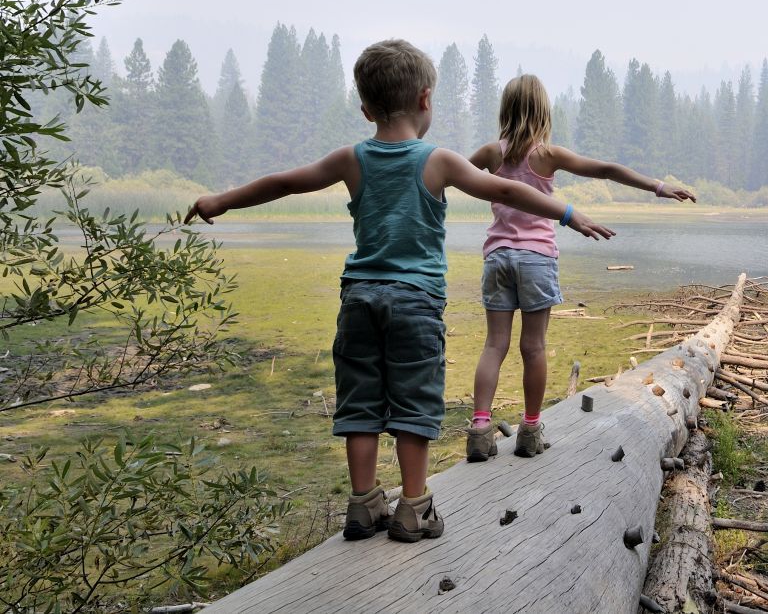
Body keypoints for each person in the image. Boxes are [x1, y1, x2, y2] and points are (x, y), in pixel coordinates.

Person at [185, 40, 613, 543]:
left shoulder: (352, 159)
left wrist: (221, 200)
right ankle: (414, 507)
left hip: (359, 298)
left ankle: (364, 505)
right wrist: (566, 213)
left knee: (360, 402)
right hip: (415, 302)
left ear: (365, 108)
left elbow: (285, 182)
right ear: (426, 100)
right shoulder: (438, 161)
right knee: (414, 400)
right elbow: (503, 189)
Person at [465, 74, 695, 463]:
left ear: (506, 110)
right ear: (543, 111)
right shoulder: (547, 155)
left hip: (498, 257)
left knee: (494, 345)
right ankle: (530, 429)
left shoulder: (491, 153)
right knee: (533, 346)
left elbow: (454, 175)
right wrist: (658, 187)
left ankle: (480, 429)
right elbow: (606, 169)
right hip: (536, 259)